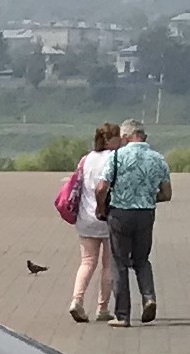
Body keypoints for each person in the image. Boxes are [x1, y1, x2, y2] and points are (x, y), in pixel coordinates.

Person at [105, 118, 169, 322]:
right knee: (142, 260)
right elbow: (167, 193)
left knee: (119, 262)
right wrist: (147, 197)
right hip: (145, 214)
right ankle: (149, 297)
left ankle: (122, 315)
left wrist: (100, 206)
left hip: (120, 213)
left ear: (125, 136)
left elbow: (101, 187)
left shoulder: (116, 157)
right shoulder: (158, 158)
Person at [66, 121, 121, 324]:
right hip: (107, 216)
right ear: (110, 139)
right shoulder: (115, 158)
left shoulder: (86, 159)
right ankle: (102, 308)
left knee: (87, 261)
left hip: (86, 217)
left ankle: (77, 300)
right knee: (108, 264)